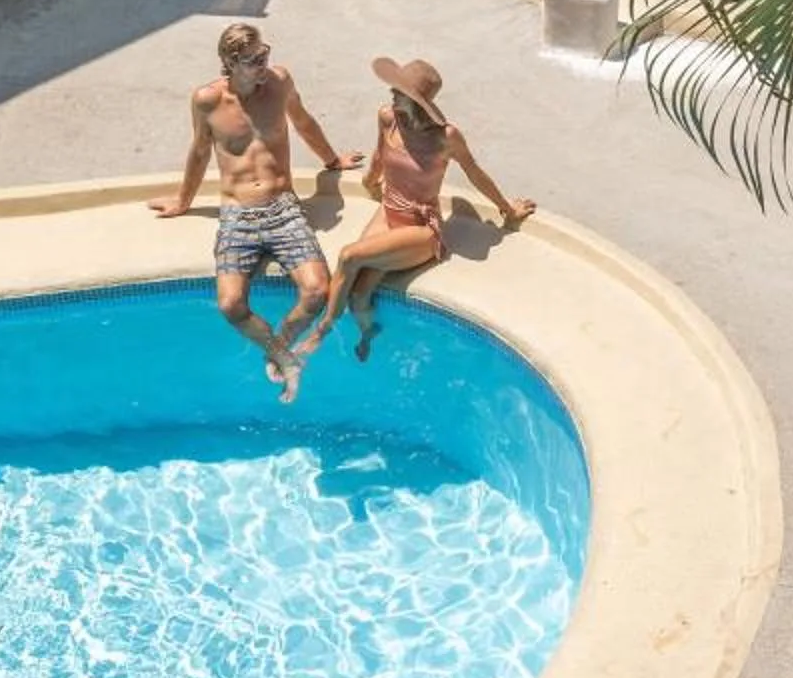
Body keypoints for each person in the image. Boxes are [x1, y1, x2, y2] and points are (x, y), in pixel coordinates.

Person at [150, 22, 363, 401]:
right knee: (231, 305)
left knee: (317, 291)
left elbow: (303, 121)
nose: (264, 64)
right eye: (253, 60)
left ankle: (280, 348)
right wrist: (183, 201)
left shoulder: (279, 83)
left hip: (283, 208)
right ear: (230, 63)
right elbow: (199, 152)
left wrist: (333, 160)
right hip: (237, 215)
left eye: (265, 54)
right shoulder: (207, 101)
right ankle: (286, 358)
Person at [304, 55, 535, 361]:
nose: (391, 94)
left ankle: (320, 333)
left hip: (421, 229)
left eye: (399, 91)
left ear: (416, 101)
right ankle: (369, 334)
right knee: (359, 297)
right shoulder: (388, 117)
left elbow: (474, 171)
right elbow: (379, 154)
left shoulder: (445, 137)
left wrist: (507, 209)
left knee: (349, 256)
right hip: (388, 213)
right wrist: (372, 181)